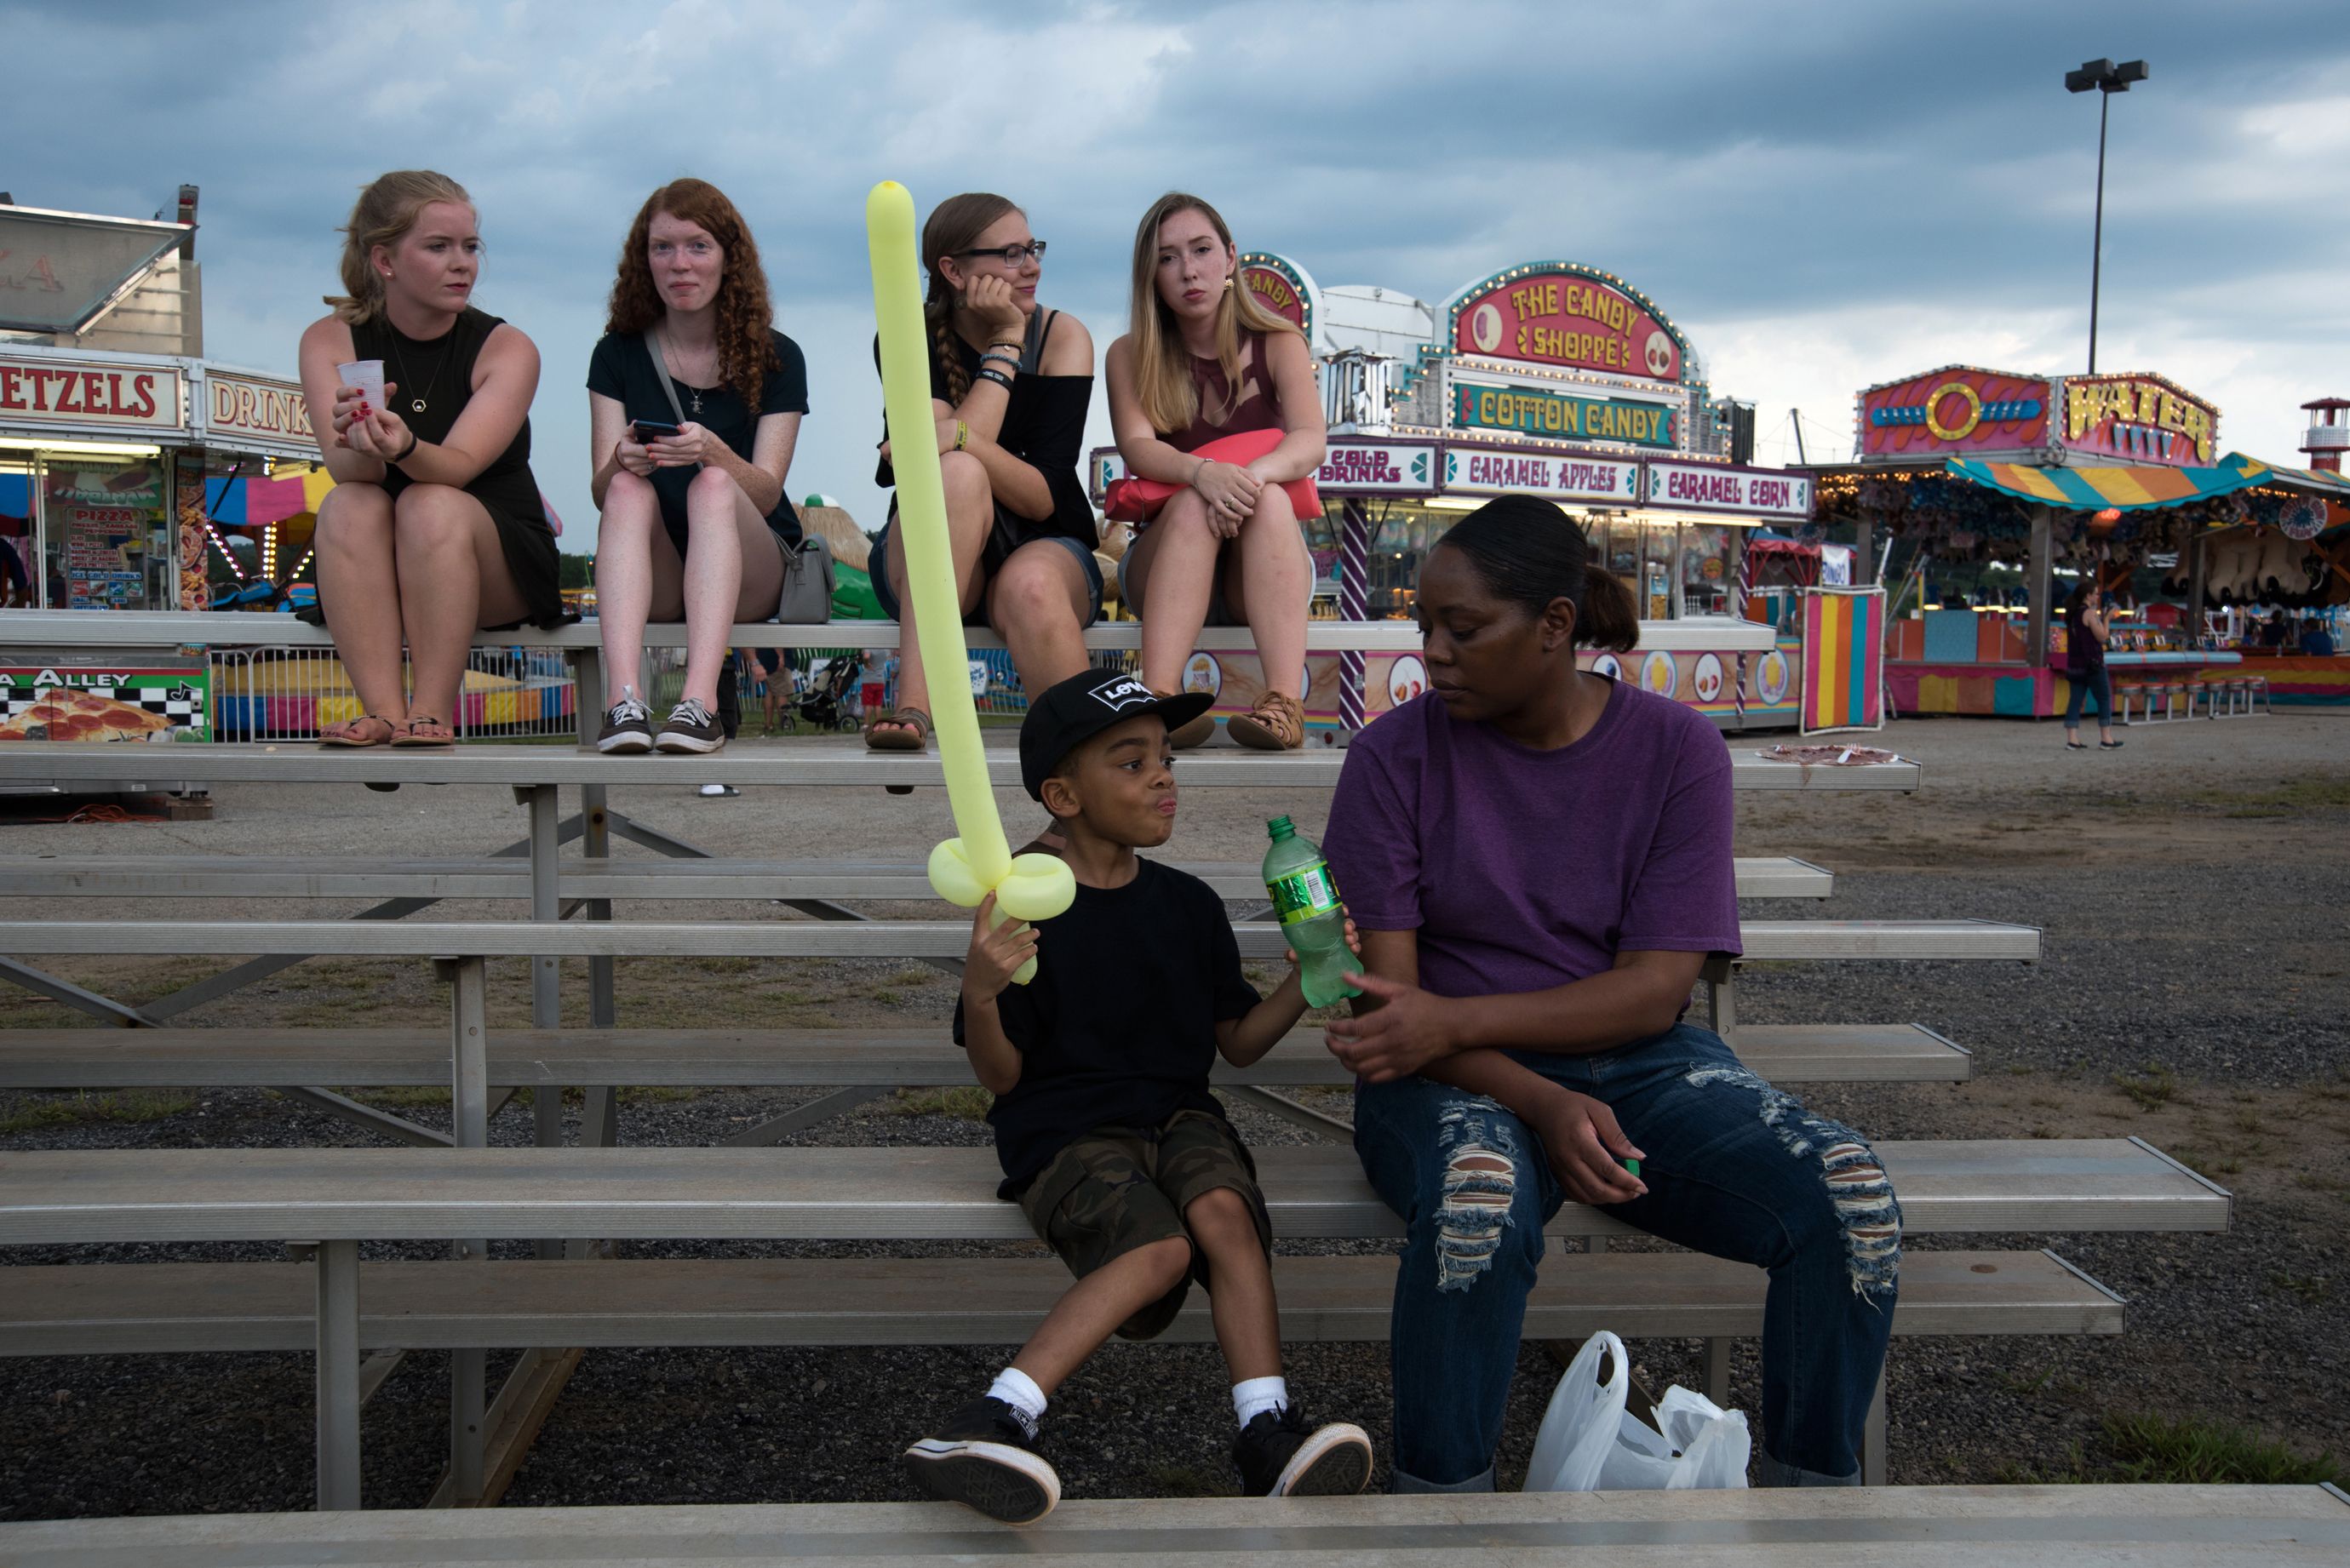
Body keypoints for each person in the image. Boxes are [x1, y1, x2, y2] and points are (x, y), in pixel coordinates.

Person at [1321, 494, 1900, 1492]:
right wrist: (1542, 1101)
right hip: (1451, 1081)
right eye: (1426, 630)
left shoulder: (1674, 749)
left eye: (1464, 630)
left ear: (1555, 626)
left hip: (1643, 1066)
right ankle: (1436, 1520)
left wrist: (1474, 1033)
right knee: (1478, 1200)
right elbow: (1397, 1018)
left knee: (1849, 1199)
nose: (1434, 655)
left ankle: (1817, 1517)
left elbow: (1652, 994)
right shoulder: (1391, 757)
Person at [902, 668, 1373, 1523]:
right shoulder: (1021, 903)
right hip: (1063, 1127)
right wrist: (978, 991)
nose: (1164, 778)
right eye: (1131, 762)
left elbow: (1237, 1042)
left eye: (1165, 758)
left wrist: (1311, 977)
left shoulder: (1187, 904)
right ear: (1062, 793)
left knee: (1224, 1212)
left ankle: (1265, 1431)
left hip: (1180, 1114)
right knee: (1162, 1250)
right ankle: (999, 1415)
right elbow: (1002, 1077)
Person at [295, 170, 566, 747]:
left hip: (493, 553)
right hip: (384, 556)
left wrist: (407, 446)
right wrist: (363, 441)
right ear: (386, 262)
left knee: (430, 502)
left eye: (470, 247)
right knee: (347, 504)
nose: (463, 263)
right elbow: (352, 474)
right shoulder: (330, 339)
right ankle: (384, 713)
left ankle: (432, 710)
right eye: (439, 247)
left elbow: (461, 465)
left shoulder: (506, 347)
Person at [865, 193, 1098, 752]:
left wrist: (960, 435)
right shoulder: (905, 337)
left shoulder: (1064, 337)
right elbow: (940, 469)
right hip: (931, 548)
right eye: (1012, 253)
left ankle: (1092, 784)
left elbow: (1043, 496)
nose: (1033, 265)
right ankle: (916, 702)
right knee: (959, 476)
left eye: (1033, 248)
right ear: (953, 269)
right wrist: (1003, 345)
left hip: (1042, 542)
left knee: (1033, 585)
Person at [588, 179, 807, 755]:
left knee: (713, 484)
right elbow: (599, 490)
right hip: (658, 564)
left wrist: (714, 451)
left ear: (729, 258)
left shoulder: (778, 356)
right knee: (627, 491)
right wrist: (621, 461)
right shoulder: (617, 351)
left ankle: (700, 705)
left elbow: (763, 494)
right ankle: (624, 701)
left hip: (751, 567)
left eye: (697, 246)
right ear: (645, 261)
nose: (679, 264)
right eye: (663, 248)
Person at [1104, 193, 1325, 750]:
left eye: (1201, 250)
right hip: (1163, 565)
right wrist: (1204, 476)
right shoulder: (1129, 354)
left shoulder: (1279, 340)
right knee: (1190, 502)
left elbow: (1310, 440)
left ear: (1230, 257)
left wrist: (1247, 480)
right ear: (1150, 275)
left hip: (1262, 567)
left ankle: (1282, 703)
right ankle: (1160, 698)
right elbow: (1135, 446)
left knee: (1271, 498)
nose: (1189, 270)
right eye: (1168, 258)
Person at [2061, 580, 2119, 751]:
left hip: (2075, 664)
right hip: (2093, 664)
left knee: (2076, 700)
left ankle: (2072, 739)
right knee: (2104, 698)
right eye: (2095, 593)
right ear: (2088, 596)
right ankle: (2106, 738)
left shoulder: (2071, 614)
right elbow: (2102, 637)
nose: (2097, 596)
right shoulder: (2090, 614)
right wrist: (2107, 619)